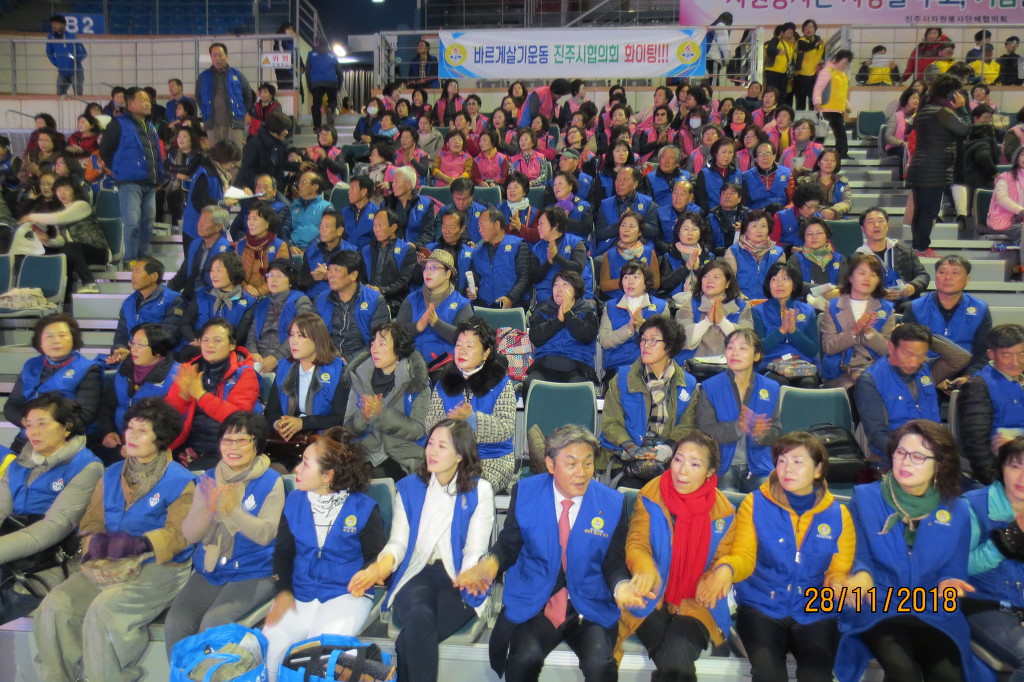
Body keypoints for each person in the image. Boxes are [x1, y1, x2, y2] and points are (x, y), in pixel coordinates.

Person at [454, 424, 646, 682]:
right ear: (551, 465)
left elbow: (613, 562)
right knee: (523, 660)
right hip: (537, 601)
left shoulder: (611, 503)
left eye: (588, 463)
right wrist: (489, 564)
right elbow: (509, 544)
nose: (582, 473)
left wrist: (621, 586)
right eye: (572, 464)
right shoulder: (526, 493)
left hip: (588, 602)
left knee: (601, 664)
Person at [33, 398, 194, 682]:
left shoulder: (181, 480)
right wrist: (93, 542)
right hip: (109, 561)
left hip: (160, 567)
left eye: (142, 431)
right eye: (130, 428)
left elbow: (181, 535)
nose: (132, 435)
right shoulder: (110, 473)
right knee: (54, 607)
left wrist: (140, 544)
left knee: (105, 610)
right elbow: (92, 519)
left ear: (160, 438)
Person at [833, 419, 992, 682]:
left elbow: (954, 568)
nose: (906, 462)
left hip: (931, 606)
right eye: (901, 452)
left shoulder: (957, 511)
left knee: (947, 675)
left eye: (918, 456)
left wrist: (949, 582)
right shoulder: (865, 499)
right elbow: (859, 555)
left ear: (939, 465)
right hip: (878, 603)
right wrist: (861, 574)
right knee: (903, 672)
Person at [701, 431, 854, 682]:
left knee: (817, 675)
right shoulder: (754, 504)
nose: (787, 469)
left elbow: (838, 570)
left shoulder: (839, 515)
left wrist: (838, 584)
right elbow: (744, 556)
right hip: (761, 606)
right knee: (769, 674)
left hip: (815, 610)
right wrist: (726, 569)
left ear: (818, 470)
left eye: (797, 461)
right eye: (781, 461)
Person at [349, 419, 492, 682]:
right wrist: (380, 567)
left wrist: (469, 575)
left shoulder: (479, 490)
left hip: (460, 575)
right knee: (419, 618)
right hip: (417, 573)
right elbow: (398, 543)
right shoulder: (409, 487)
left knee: (410, 640)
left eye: (442, 446)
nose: (432, 451)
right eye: (430, 444)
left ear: (460, 455)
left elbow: (475, 548)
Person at [262, 428, 385, 682]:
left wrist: (371, 574)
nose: (297, 469)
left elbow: (375, 557)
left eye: (306, 463)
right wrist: (283, 592)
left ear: (328, 475)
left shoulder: (363, 508)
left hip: (345, 595)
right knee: (270, 656)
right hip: (300, 593)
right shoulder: (294, 501)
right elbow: (283, 552)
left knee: (316, 661)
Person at [163, 412, 283, 656]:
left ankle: (214, 672)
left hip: (255, 571)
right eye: (227, 440)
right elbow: (190, 535)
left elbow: (265, 534)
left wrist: (232, 510)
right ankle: (182, 673)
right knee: (176, 622)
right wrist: (207, 510)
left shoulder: (272, 481)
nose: (233, 447)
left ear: (257, 444)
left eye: (242, 440)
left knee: (214, 622)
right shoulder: (208, 479)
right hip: (211, 569)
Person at [0, 394, 102, 622]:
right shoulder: (18, 464)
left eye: (42, 424)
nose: (33, 432)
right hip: (14, 549)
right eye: (29, 425)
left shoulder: (88, 468)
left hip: (56, 558)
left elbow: (53, 527)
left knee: (17, 594)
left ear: (67, 427)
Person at [600, 316, 697, 485]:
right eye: (643, 340)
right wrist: (632, 448)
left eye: (653, 340)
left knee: (671, 490)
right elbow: (610, 423)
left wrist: (669, 447)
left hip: (668, 460)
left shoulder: (688, 384)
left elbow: (687, 426)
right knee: (631, 490)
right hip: (626, 458)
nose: (645, 345)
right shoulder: (622, 378)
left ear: (669, 346)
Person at [424, 319, 516, 493]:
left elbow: (506, 428)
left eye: (469, 346)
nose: (462, 350)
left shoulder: (501, 383)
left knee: (469, 488)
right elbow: (430, 424)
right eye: (458, 345)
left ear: (486, 353)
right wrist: (452, 423)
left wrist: (472, 419)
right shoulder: (444, 382)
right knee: (427, 486)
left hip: (492, 458)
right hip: (451, 456)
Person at [855, 322, 969, 462]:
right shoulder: (870, 381)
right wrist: (912, 456)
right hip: (894, 459)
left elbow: (961, 357)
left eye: (921, 355)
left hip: (934, 454)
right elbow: (878, 437)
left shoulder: (927, 369)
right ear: (891, 347)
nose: (914, 363)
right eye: (908, 354)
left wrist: (925, 338)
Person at [964, 436, 1024, 675]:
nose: (1022, 477)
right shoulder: (972, 505)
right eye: (1015, 466)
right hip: (983, 604)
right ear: (1001, 468)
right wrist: (1010, 537)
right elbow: (962, 565)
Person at [166, 318, 260, 471]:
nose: (210, 345)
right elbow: (170, 415)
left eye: (217, 340)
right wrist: (182, 397)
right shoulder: (189, 370)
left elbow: (236, 419)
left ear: (232, 345)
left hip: (225, 448)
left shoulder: (244, 374)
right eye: (205, 340)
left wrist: (200, 395)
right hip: (186, 445)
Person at [695, 329, 781, 492]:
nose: (735, 353)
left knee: (770, 497)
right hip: (722, 467)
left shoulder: (771, 387)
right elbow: (705, 431)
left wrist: (760, 433)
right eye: (730, 347)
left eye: (743, 348)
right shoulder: (710, 387)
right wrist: (738, 428)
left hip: (759, 466)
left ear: (757, 355)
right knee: (727, 499)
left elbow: (776, 430)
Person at [4, 314, 102, 454]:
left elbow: (86, 414)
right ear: (40, 341)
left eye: (62, 335)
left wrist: (50, 429)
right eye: (49, 336)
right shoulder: (31, 365)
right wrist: (27, 423)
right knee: (9, 465)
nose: (56, 341)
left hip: (68, 438)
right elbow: (12, 405)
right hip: (28, 437)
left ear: (73, 338)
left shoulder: (87, 369)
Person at [344, 322, 429, 479]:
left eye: (382, 344)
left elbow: (419, 430)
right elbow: (348, 429)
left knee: (370, 479)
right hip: (367, 451)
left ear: (398, 349)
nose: (374, 349)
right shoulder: (360, 376)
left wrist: (382, 414)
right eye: (373, 343)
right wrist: (362, 416)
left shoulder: (416, 380)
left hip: (402, 454)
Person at [263, 312, 349, 460]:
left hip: (324, 441)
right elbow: (271, 410)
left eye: (301, 336)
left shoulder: (338, 370)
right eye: (291, 335)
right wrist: (279, 424)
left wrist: (303, 423)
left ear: (317, 340)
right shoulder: (284, 367)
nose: (293, 341)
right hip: (288, 440)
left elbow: (340, 418)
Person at [906, 74, 971, 256]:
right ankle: (922, 247)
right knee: (929, 212)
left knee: (921, 211)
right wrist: (962, 109)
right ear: (950, 94)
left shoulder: (925, 109)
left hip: (921, 167)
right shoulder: (943, 112)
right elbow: (965, 129)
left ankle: (919, 246)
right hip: (934, 169)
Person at [95, 324, 180, 464]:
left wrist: (138, 446)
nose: (133, 349)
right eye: (132, 343)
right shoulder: (124, 367)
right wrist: (107, 432)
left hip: (152, 446)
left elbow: (172, 424)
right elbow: (109, 404)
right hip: (119, 439)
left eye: (140, 345)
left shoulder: (176, 375)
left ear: (158, 350)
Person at [98, 86, 163, 264]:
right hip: (129, 182)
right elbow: (105, 150)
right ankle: (130, 260)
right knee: (132, 222)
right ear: (131, 103)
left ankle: (143, 258)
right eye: (143, 100)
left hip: (150, 181)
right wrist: (119, 169)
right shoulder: (118, 123)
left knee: (148, 221)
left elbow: (156, 153)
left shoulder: (150, 125)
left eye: (149, 100)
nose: (148, 103)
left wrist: (159, 176)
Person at [903, 255, 992, 380]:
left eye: (955, 273)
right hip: (925, 373)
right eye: (942, 272)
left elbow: (983, 350)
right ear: (935, 276)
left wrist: (968, 376)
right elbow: (908, 349)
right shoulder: (915, 307)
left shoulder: (980, 308)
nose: (948, 277)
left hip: (966, 374)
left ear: (967, 279)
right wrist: (932, 376)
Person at [17, 176, 108, 296]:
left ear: (74, 190)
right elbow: (61, 240)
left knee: (68, 248)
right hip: (76, 252)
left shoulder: (82, 205)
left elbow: (57, 218)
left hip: (97, 252)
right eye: (58, 190)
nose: (62, 193)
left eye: (66, 189)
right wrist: (48, 241)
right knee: (61, 253)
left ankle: (89, 283)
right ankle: (64, 298)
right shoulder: (63, 210)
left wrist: (31, 216)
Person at [956, 324, 1024, 485]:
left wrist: (1011, 444)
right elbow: (977, 447)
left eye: (1021, 354)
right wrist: (996, 485)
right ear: (991, 354)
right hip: (1003, 474)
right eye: (1006, 355)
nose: (1015, 362)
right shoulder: (978, 386)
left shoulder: (1020, 381)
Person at [820, 253, 896, 389]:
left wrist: (868, 332)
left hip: (875, 370)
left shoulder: (886, 309)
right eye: (862, 273)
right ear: (850, 277)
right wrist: (854, 331)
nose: (867, 278)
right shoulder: (833, 306)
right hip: (841, 372)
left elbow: (887, 351)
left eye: (873, 275)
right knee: (857, 389)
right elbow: (828, 347)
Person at [526, 269, 600, 390]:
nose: (559, 289)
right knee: (530, 386)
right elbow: (535, 337)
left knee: (579, 389)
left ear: (576, 290)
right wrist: (558, 321)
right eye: (556, 285)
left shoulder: (587, 312)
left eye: (565, 284)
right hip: (545, 364)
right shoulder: (543, 311)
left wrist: (568, 315)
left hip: (578, 366)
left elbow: (587, 336)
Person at [598, 259, 669, 382]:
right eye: (626, 277)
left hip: (650, 367)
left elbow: (666, 341)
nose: (630, 282)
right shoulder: (610, 306)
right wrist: (629, 329)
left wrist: (642, 326)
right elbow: (604, 341)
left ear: (646, 281)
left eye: (636, 277)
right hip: (617, 367)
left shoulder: (661, 307)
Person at [752, 260, 820, 388]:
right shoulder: (757, 311)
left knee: (808, 383)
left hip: (801, 364)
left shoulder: (807, 310)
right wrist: (781, 331)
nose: (779, 284)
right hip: (770, 365)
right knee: (778, 382)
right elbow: (758, 350)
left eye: (785, 279)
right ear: (768, 284)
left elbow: (813, 350)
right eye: (774, 279)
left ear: (794, 285)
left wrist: (794, 332)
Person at [314, 250, 391, 363]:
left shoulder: (374, 300)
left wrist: (349, 359)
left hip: (362, 361)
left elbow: (379, 340)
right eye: (329, 269)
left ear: (353, 275)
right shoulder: (321, 299)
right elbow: (313, 334)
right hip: (327, 359)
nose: (330, 275)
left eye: (336, 270)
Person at [674, 259, 752, 367]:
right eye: (706, 276)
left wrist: (722, 322)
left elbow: (748, 341)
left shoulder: (741, 307)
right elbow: (682, 339)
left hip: (731, 366)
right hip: (692, 366)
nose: (709, 281)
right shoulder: (689, 305)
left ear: (727, 283)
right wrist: (707, 322)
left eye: (716, 277)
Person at [247, 260, 314, 374]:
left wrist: (276, 358)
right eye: (270, 275)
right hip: (260, 359)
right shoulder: (262, 304)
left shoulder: (300, 301)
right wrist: (253, 352)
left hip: (288, 358)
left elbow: (301, 335)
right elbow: (252, 334)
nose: (273, 279)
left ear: (290, 282)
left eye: (279, 276)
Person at [179, 252, 257, 350]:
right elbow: (185, 325)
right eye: (212, 270)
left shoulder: (249, 302)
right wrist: (198, 342)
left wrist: (216, 347)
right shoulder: (202, 295)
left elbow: (240, 336)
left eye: (218, 270)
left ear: (233, 272)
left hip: (227, 350)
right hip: (196, 348)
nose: (213, 275)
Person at [854, 206, 929, 306]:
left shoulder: (905, 249)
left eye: (881, 221)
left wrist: (913, 286)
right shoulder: (857, 258)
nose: (877, 225)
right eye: (871, 222)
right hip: (875, 306)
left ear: (887, 226)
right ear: (862, 228)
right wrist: (878, 294)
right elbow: (853, 288)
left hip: (907, 304)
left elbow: (923, 275)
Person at [180, 141, 242, 257]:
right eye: (232, 162)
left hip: (211, 230)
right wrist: (223, 203)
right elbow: (199, 201)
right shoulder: (205, 173)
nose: (233, 166)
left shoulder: (217, 173)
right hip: (197, 231)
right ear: (223, 158)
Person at [469, 208, 532, 309]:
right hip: (483, 306)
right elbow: (474, 279)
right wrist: (472, 290)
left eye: (483, 226)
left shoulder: (518, 245)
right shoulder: (477, 252)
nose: (480, 230)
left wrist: (511, 299)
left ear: (497, 225)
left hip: (513, 305)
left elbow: (524, 278)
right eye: (479, 227)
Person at [170, 205, 233, 304]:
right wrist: (166, 293)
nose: (199, 224)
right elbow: (182, 275)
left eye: (205, 222)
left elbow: (218, 285)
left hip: (210, 299)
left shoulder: (225, 249)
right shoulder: (196, 244)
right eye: (199, 221)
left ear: (218, 227)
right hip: (190, 296)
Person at [594, 166, 660, 256]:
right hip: (612, 248)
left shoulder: (648, 203)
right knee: (599, 261)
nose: (620, 183)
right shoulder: (605, 204)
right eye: (617, 179)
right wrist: (621, 225)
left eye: (625, 180)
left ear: (635, 184)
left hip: (640, 249)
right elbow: (599, 233)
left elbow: (654, 230)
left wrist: (635, 223)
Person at [530, 206, 591, 305]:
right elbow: (533, 277)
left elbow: (578, 269)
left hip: (576, 298)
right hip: (546, 301)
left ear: (555, 225)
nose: (538, 227)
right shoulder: (537, 248)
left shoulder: (575, 242)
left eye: (541, 223)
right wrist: (548, 262)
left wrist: (557, 257)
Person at [196, 42, 253, 148]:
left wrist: (242, 112)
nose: (217, 58)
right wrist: (205, 110)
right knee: (215, 154)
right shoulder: (203, 77)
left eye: (220, 55)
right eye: (214, 55)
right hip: (213, 125)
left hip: (235, 124)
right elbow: (198, 97)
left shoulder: (237, 75)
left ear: (226, 56)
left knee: (235, 153)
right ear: (211, 57)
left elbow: (248, 95)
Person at [363, 208, 417, 315]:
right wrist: (366, 287)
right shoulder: (366, 250)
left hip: (394, 301)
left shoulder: (406, 250)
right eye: (374, 225)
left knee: (374, 312)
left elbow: (403, 282)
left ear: (393, 227)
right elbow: (360, 277)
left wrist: (381, 290)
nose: (376, 229)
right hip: (368, 297)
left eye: (380, 225)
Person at [724, 209, 785, 300]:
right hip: (741, 302)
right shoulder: (733, 251)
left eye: (763, 226)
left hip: (770, 302)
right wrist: (741, 299)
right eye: (754, 226)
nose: (759, 230)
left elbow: (781, 283)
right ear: (745, 229)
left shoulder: (778, 253)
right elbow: (729, 281)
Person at [236, 112, 298, 193]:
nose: (287, 132)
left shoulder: (279, 144)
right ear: (275, 129)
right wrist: (263, 183)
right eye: (284, 129)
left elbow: (280, 164)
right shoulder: (254, 144)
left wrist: (299, 166)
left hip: (274, 189)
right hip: (257, 190)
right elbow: (247, 171)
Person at [812, 49, 853, 160]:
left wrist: (847, 105)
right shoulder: (827, 71)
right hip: (825, 108)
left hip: (837, 109)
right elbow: (818, 88)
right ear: (837, 60)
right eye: (844, 63)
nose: (845, 66)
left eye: (847, 64)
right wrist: (817, 102)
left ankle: (842, 154)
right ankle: (815, 153)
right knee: (822, 134)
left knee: (840, 133)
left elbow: (841, 93)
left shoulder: (843, 75)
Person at [793, 218, 846, 302]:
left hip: (834, 304)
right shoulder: (796, 259)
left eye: (819, 233)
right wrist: (821, 289)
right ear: (804, 237)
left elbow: (845, 285)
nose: (814, 237)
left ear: (826, 235)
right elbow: (794, 284)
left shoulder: (839, 259)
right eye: (810, 234)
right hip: (805, 305)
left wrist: (838, 291)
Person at [799, 150, 853, 220]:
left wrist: (833, 211)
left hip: (837, 218)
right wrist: (822, 211)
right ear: (819, 163)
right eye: (826, 160)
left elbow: (847, 202)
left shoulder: (842, 182)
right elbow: (806, 202)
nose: (829, 163)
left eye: (832, 161)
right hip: (813, 218)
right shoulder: (808, 181)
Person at [742, 141, 792, 212]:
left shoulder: (786, 173)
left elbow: (792, 200)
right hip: (756, 214)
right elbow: (743, 204)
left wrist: (785, 211)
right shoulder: (747, 176)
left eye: (768, 154)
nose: (764, 158)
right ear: (756, 159)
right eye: (760, 154)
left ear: (774, 156)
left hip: (781, 213)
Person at [987, 146, 1024, 243]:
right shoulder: (1005, 177)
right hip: (1006, 220)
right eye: (1023, 155)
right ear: (1016, 158)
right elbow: (1002, 199)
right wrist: (1021, 211)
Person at [46, 15, 86, 96]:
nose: (54, 25)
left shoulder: (72, 36)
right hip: (62, 71)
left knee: (78, 95)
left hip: (75, 71)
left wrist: (74, 60)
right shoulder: (51, 37)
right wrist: (57, 63)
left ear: (64, 24)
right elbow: (49, 52)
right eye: (53, 23)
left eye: (56, 23)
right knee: (59, 94)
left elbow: (83, 52)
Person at [306, 38, 340, 129]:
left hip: (317, 83)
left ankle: (317, 127)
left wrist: (310, 86)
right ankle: (330, 108)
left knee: (316, 105)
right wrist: (339, 86)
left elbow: (307, 72)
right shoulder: (332, 54)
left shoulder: (311, 54)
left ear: (317, 43)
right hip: (331, 82)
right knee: (333, 101)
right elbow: (339, 71)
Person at [763, 23, 797, 106]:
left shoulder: (790, 45)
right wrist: (778, 51)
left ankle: (779, 110)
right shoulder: (776, 39)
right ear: (782, 33)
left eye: (792, 33)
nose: (790, 35)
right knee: (771, 93)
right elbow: (770, 50)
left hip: (783, 73)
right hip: (773, 72)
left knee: (782, 95)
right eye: (788, 32)